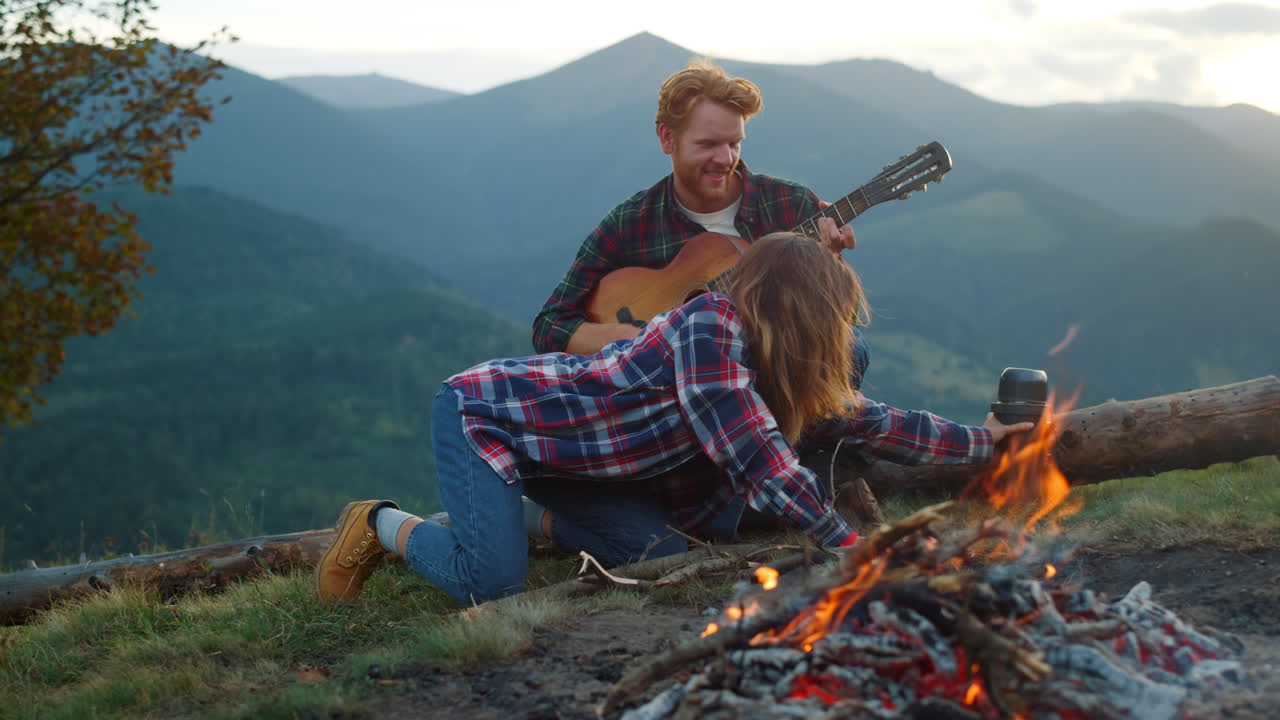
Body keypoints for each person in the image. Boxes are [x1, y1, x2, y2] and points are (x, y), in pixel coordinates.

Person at [315, 234, 1033, 606]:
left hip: (580, 465)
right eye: (833, 319)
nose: (839, 335)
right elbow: (757, 459)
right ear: (800, 311)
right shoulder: (709, 329)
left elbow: (868, 418)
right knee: (491, 587)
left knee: (660, 554)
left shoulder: (772, 353)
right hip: (492, 419)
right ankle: (381, 522)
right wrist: (850, 547)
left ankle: (519, 516)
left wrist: (984, 441)